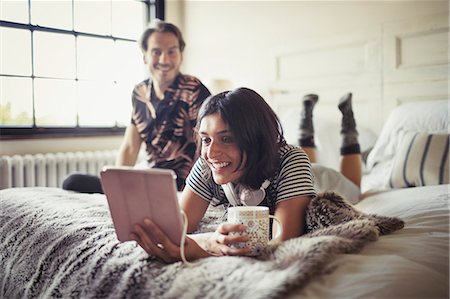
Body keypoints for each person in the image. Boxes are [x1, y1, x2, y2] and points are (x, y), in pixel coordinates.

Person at [131, 87, 317, 263]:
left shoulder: (291, 160)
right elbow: (176, 231)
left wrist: (201, 251)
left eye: (226, 139)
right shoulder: (207, 166)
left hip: (323, 177)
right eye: (206, 140)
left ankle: (311, 128)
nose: (211, 153)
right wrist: (209, 242)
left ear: (255, 140)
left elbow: (282, 244)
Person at [63, 19, 211, 193]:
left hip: (184, 183)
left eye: (172, 51)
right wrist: (116, 184)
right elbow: (130, 147)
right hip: (148, 177)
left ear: (180, 55)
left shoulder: (193, 89)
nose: (164, 59)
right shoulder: (139, 93)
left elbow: (206, 144)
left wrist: (197, 191)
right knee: (72, 182)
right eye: (156, 52)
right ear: (145, 57)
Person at [299, 93, 362, 203]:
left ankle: (306, 126)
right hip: (318, 176)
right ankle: (348, 126)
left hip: (307, 175)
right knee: (355, 192)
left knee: (304, 173)